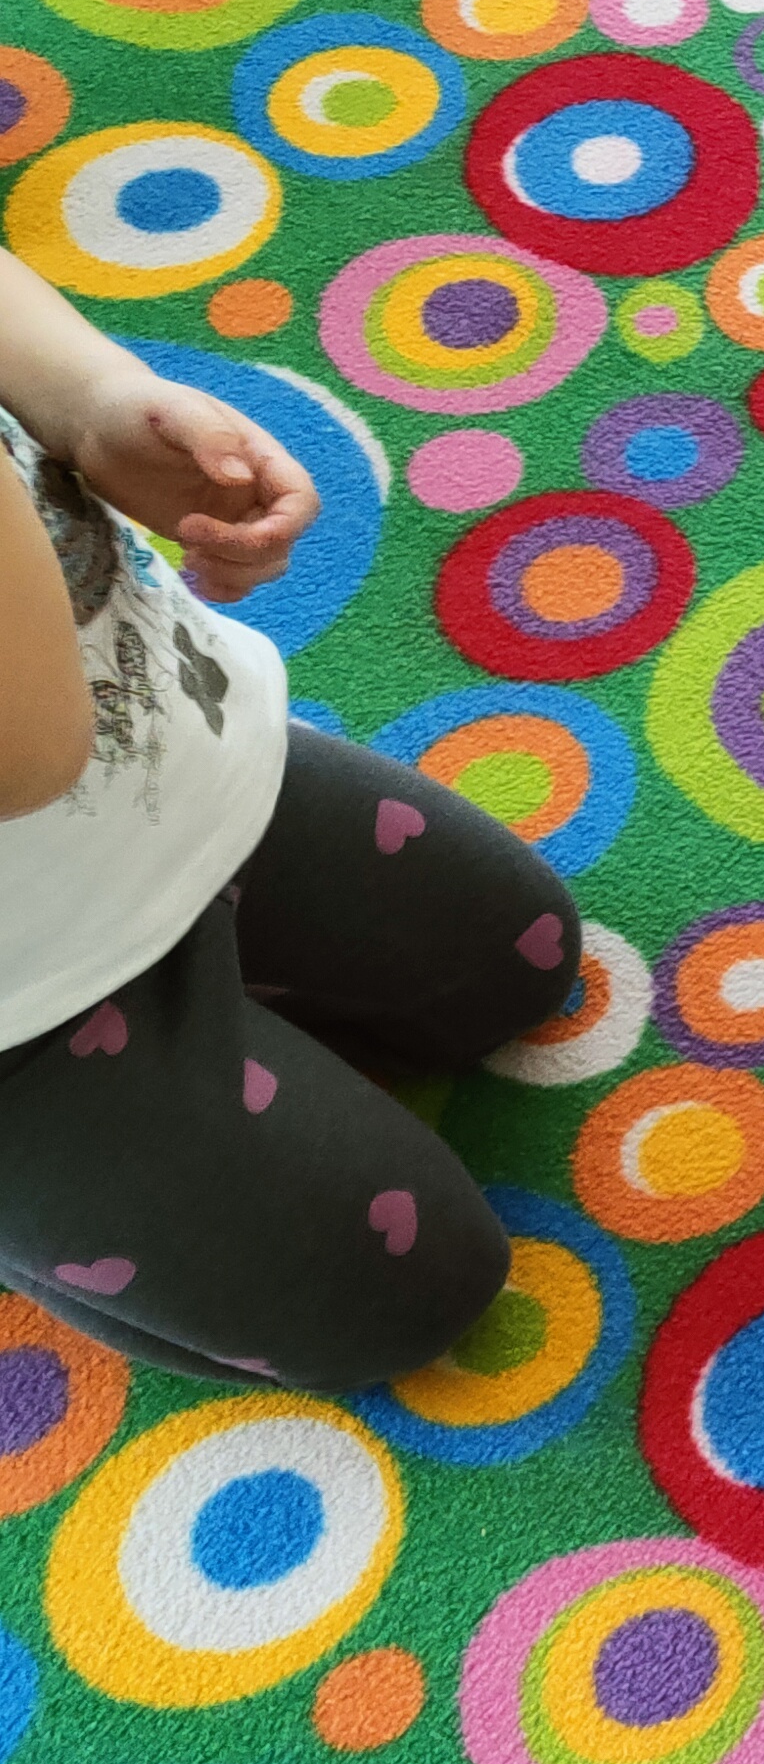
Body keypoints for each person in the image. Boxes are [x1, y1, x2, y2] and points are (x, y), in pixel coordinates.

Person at [0, 250, 562, 1383]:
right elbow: (29, 753)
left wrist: (85, 396)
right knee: (405, 1296)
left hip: (168, 760)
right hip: (20, 1014)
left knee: (516, 960)